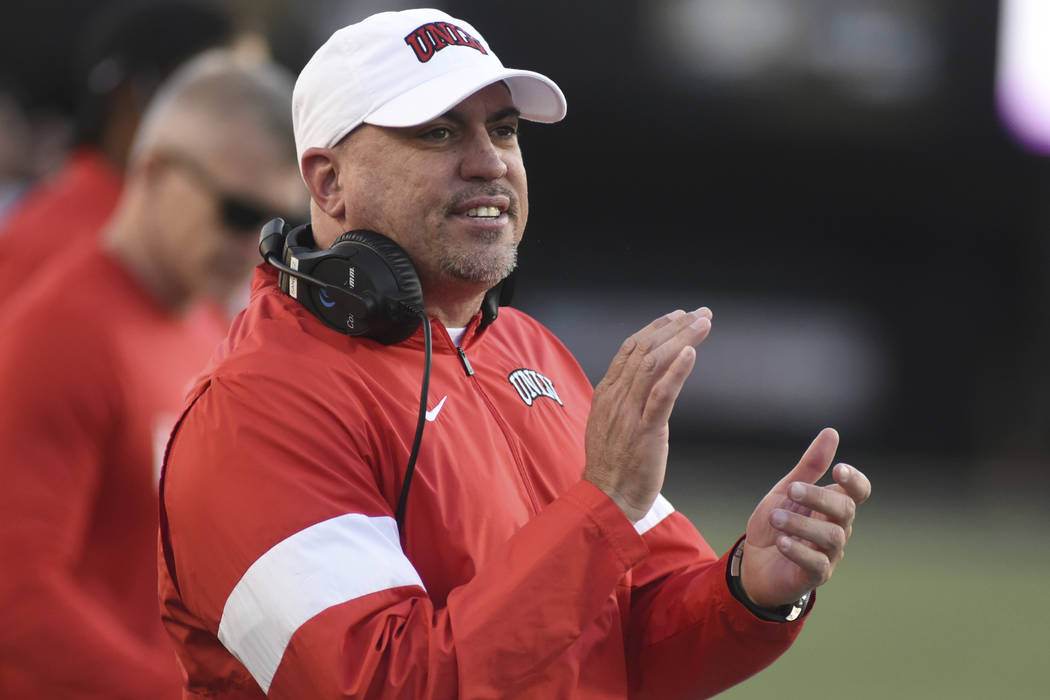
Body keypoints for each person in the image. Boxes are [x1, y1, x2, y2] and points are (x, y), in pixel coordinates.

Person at [159, 9, 872, 699]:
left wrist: (750, 588)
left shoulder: (527, 349)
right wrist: (605, 506)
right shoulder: (257, 410)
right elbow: (392, 684)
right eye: (438, 133)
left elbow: (625, 641)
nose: (489, 161)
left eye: (503, 129)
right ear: (327, 181)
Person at [0, 51, 304, 698]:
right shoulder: (62, 336)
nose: (254, 247)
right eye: (237, 212)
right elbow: (15, 600)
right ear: (156, 170)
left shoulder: (206, 327)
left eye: (276, 227)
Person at [0, 0, 234, 306]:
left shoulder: (182, 237)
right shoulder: (50, 243)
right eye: (214, 99)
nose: (235, 124)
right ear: (131, 98)